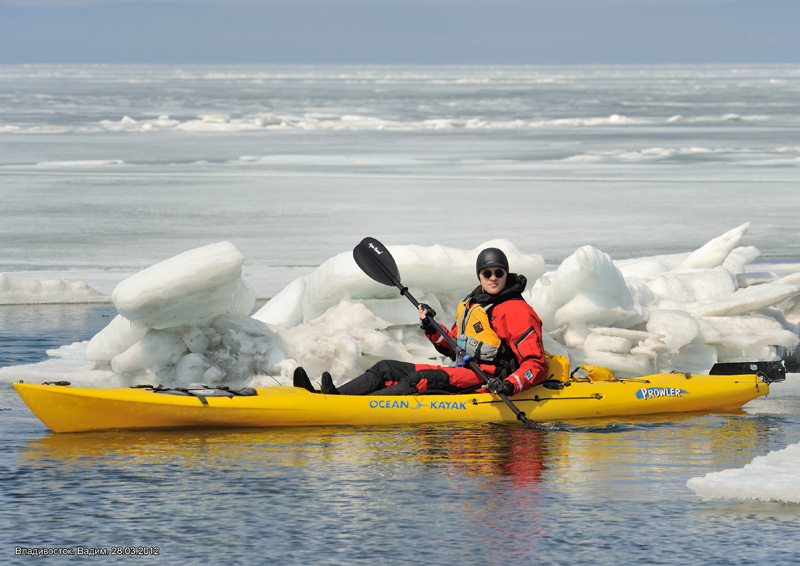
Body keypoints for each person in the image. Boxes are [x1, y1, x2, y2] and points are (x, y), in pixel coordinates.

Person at [293, 247, 548, 396]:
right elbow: (452, 347)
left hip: (489, 380)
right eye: (487, 273)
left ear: (506, 274)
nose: (493, 278)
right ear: (479, 275)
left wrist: (508, 385)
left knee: (419, 380)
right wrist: (431, 327)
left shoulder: (516, 311)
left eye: (498, 273)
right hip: (465, 371)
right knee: (385, 368)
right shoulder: (474, 304)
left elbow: (536, 364)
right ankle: (332, 397)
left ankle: (344, 408)